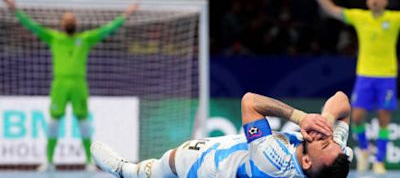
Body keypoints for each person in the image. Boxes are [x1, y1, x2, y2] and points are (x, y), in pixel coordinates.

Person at [1, 0, 139, 171]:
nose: (69, 22)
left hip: (78, 85)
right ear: (62, 24)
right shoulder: (53, 37)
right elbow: (31, 25)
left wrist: (126, 15)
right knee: (53, 123)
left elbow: (108, 29)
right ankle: (49, 161)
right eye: (66, 19)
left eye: (71, 19)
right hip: (59, 85)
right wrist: (14, 9)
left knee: (83, 123)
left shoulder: (86, 38)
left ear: (75, 24)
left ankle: (89, 161)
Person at [91, 91, 353, 177]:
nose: (323, 137)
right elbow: (342, 101)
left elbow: (249, 101)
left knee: (162, 167)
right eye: (329, 138)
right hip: (233, 150)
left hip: (204, 167)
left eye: (323, 142)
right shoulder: (333, 159)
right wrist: (325, 122)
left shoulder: (274, 162)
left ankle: (126, 170)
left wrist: (301, 117)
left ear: (306, 162)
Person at [302, 0, 399, 174]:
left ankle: (379, 161)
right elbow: (331, 10)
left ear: (385, 1)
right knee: (356, 118)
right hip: (365, 76)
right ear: (366, 1)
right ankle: (364, 150)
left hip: (387, 76)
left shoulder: (395, 19)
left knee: (384, 120)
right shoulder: (359, 17)